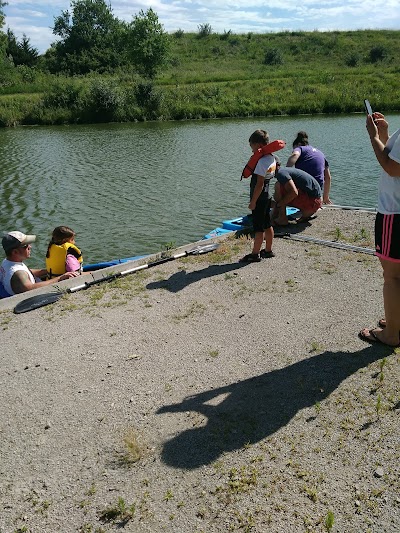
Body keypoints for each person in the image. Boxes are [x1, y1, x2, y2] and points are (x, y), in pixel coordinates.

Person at [359, 111, 400, 347]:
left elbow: (392, 167)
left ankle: (392, 334)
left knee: (392, 275)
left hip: (394, 214)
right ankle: (396, 321)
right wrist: (385, 134)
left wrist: (373, 136)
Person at [0, 231, 78, 297]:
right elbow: (30, 289)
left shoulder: (7, 262)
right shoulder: (18, 274)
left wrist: (48, 271)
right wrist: (59, 278)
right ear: (15, 252)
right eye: (26, 246)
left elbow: (27, 272)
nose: (30, 247)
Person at [239, 129, 277, 262]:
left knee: (259, 228)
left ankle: (255, 255)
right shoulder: (272, 158)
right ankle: (268, 250)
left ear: (259, 145)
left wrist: (253, 201)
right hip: (267, 197)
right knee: (267, 224)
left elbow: (259, 184)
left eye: (252, 147)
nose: (251, 150)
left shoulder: (261, 162)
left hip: (260, 199)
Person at [286, 131, 332, 205]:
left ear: (298, 144)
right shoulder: (320, 153)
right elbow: (328, 177)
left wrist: (286, 170)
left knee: (281, 182)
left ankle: (282, 207)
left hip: (305, 191)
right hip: (317, 194)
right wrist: (325, 197)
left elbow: (295, 155)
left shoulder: (300, 148)